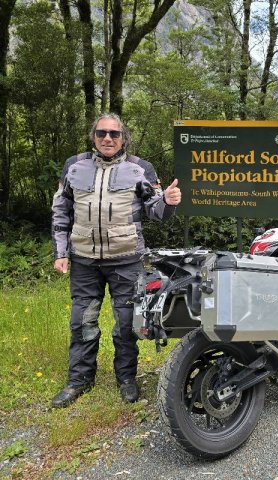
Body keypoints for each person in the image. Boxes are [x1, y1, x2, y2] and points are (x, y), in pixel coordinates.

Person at [51, 113, 181, 408]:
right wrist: (61, 252)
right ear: (93, 136)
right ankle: (79, 380)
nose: (107, 138)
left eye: (114, 133)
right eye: (101, 133)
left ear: (124, 138)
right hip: (84, 260)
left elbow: (156, 211)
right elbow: (61, 210)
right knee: (81, 321)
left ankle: (126, 379)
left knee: (126, 324)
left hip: (126, 260)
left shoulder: (140, 168)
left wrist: (168, 201)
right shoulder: (74, 166)